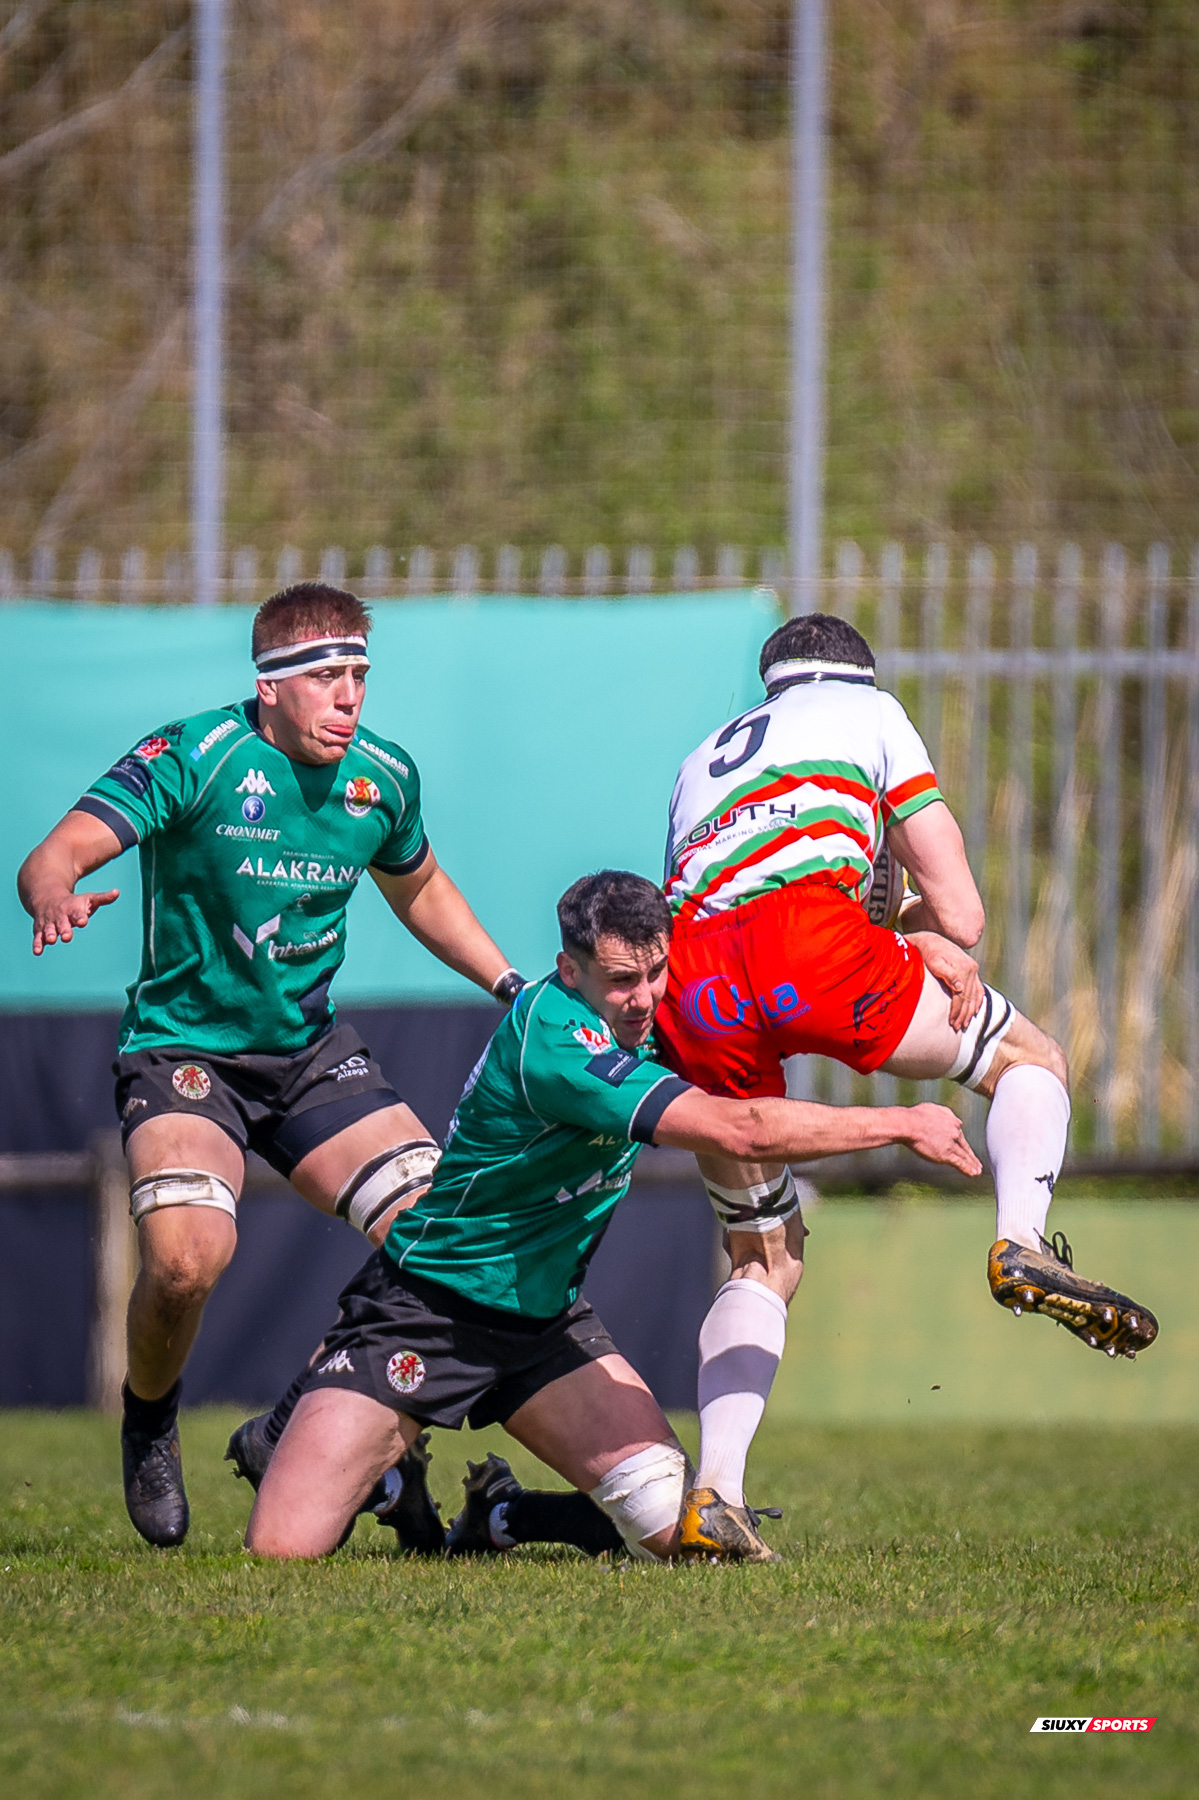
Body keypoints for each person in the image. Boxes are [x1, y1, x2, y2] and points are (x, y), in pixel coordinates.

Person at [237, 870, 981, 1564]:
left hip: (543, 1327)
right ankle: (360, 1458)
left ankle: (503, 1515)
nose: (646, 997)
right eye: (622, 981)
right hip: (429, 1309)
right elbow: (739, 1130)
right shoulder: (556, 1043)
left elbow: (805, 969)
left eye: (657, 974)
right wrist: (899, 1123)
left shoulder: (654, 997)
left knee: (677, 1531)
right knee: (283, 1550)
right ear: (570, 971)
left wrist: (920, 941)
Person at [17, 582, 525, 1550]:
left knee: (443, 1239)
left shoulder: (382, 778)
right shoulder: (193, 756)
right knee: (186, 1258)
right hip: (184, 1054)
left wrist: (509, 985)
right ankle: (150, 1420)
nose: (350, 698)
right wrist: (57, 892)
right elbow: (54, 855)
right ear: (270, 686)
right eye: (328, 677)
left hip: (307, 1053)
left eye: (361, 676)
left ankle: (297, 1425)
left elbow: (420, 892)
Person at [653, 611, 1160, 1561]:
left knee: (762, 1259)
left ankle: (714, 1491)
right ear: (858, 674)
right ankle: (1019, 1244)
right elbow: (961, 912)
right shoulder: (872, 713)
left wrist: (888, 928)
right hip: (812, 941)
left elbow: (711, 895)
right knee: (1028, 1061)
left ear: (770, 686)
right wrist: (919, 928)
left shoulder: (700, 757)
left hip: (693, 980)